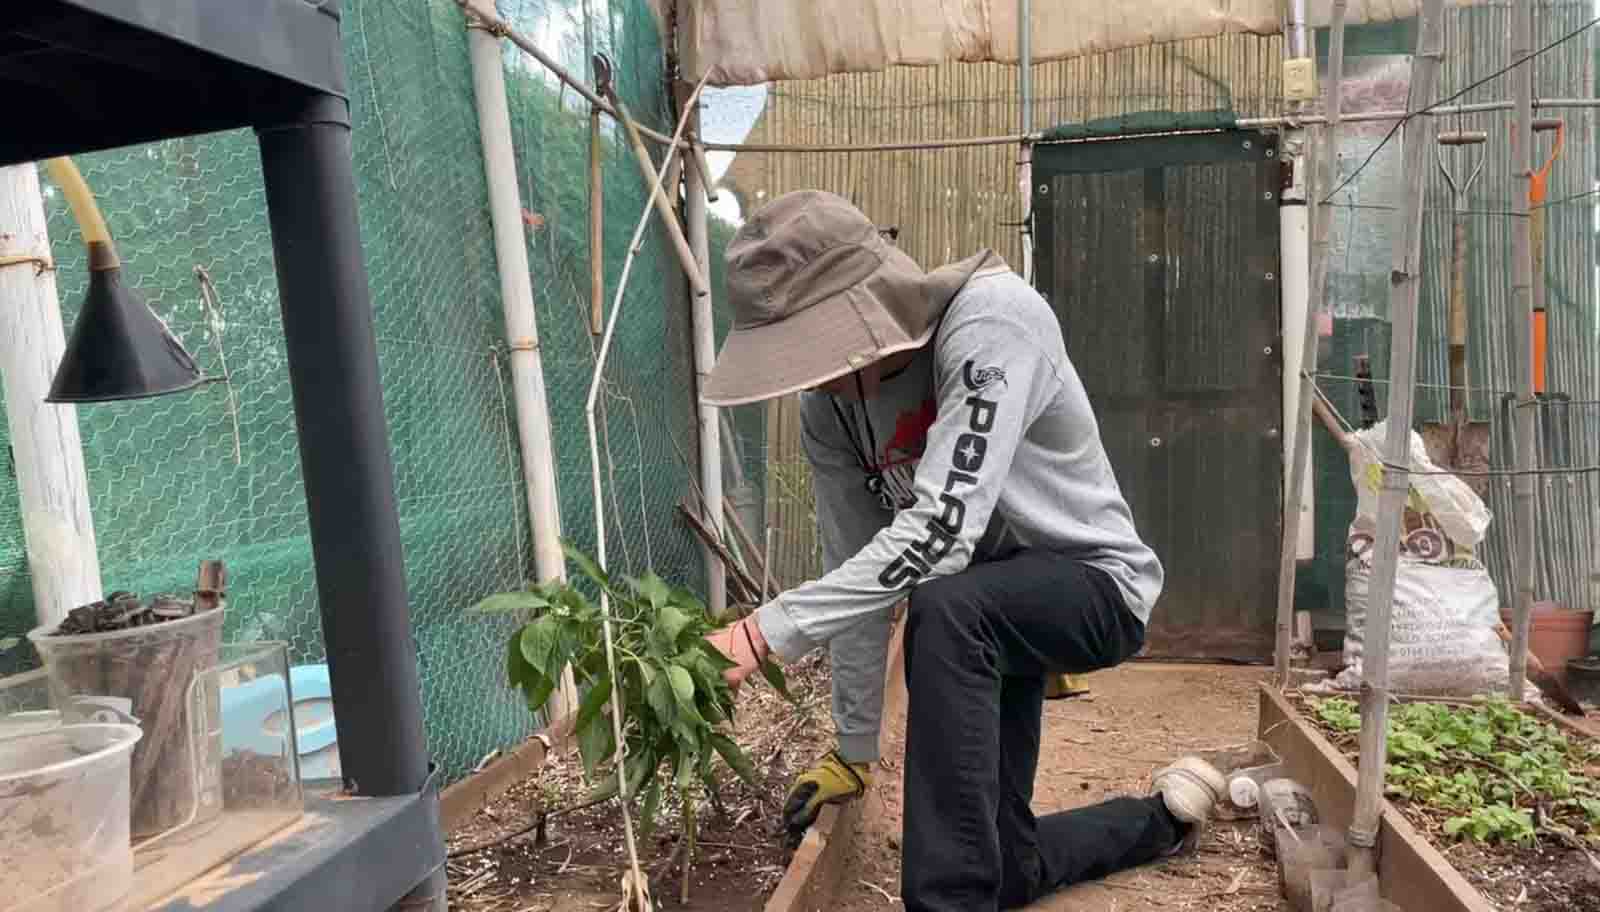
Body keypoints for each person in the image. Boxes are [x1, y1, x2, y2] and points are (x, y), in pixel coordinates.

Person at [700, 190, 1226, 911]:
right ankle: (1160, 822)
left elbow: (939, 537)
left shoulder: (991, 322)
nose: (809, 373)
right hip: (987, 616)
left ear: (863, 305)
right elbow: (856, 564)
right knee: (1003, 866)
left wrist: (760, 634)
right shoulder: (830, 410)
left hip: (1092, 588)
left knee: (943, 602)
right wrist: (854, 750)